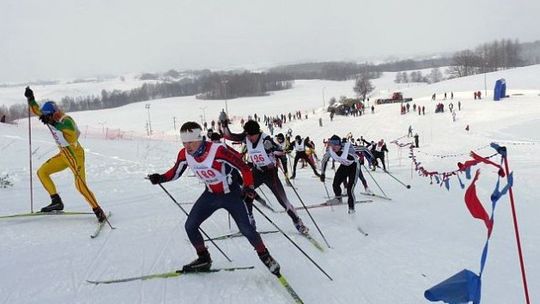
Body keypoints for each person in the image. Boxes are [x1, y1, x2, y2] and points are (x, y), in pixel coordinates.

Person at [147, 122, 281, 275]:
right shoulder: (184, 154)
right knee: (190, 226)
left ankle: (266, 256)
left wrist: (249, 187)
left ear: (200, 138)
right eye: (184, 142)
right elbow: (175, 173)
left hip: (232, 195)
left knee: (247, 229)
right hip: (210, 195)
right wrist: (160, 178)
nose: (187, 146)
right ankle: (204, 258)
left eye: (190, 142)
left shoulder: (218, 151)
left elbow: (244, 168)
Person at [24, 87, 107, 221]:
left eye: (51, 115)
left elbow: (73, 135)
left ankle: (98, 210)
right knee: (42, 172)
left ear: (54, 112)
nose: (51, 116)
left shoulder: (66, 120)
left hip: (75, 155)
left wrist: (54, 124)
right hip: (63, 155)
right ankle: (56, 201)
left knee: (80, 185)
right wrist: (31, 99)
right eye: (49, 116)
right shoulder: (48, 116)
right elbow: (36, 110)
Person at [220, 115, 310, 234]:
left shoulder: (266, 140)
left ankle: (298, 222)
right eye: (247, 136)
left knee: (283, 201)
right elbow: (229, 136)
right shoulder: (247, 136)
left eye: (251, 136)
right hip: (257, 172)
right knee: (245, 195)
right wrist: (225, 125)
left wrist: (276, 152)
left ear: (257, 133)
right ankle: (250, 222)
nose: (249, 139)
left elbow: (281, 151)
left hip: (270, 173)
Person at [320, 135, 363, 214]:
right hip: (344, 166)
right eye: (332, 145)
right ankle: (338, 199)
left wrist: (373, 159)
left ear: (340, 144)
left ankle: (351, 208)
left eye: (335, 145)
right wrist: (322, 173)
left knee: (350, 189)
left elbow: (364, 149)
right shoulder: (330, 150)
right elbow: (324, 160)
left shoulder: (348, 148)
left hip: (354, 166)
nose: (333, 147)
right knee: (335, 184)